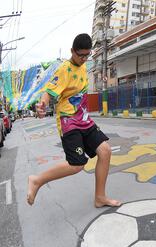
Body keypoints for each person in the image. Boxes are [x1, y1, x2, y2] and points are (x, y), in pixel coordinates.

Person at [27, 33, 121, 208]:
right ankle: (37, 180)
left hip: (84, 119)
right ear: (72, 51)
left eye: (87, 55)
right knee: (77, 165)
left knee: (105, 151)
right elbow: (49, 91)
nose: (84, 59)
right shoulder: (64, 69)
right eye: (80, 55)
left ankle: (100, 197)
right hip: (69, 121)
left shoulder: (84, 65)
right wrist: (43, 104)